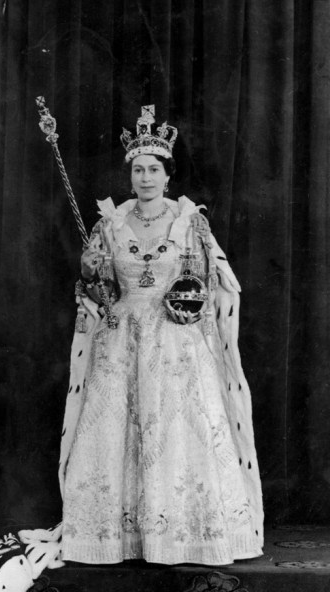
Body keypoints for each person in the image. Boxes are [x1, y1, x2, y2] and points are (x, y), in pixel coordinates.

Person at [59, 105, 263, 566]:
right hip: (120, 339)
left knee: (178, 428)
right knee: (117, 428)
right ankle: (117, 536)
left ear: (167, 175)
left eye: (154, 169)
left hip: (177, 341)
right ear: (129, 175)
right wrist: (93, 277)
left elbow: (208, 282)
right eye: (138, 170)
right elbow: (99, 288)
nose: (146, 177)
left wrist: (188, 304)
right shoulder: (107, 223)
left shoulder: (191, 222)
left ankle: (184, 533)